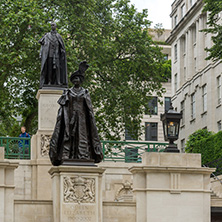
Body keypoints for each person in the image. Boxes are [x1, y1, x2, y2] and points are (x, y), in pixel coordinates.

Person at [49, 61, 103, 166]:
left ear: (81, 80)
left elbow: (89, 109)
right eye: (74, 79)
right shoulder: (68, 92)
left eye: (77, 78)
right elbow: (62, 104)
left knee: (82, 136)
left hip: (82, 119)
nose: (76, 80)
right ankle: (68, 155)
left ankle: (82, 155)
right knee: (69, 136)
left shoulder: (85, 92)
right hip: (70, 117)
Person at [39, 22, 68, 88]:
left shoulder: (58, 36)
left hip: (57, 55)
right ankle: (49, 81)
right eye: (51, 25)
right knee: (49, 69)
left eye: (53, 25)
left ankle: (58, 81)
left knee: (57, 68)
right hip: (49, 55)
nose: (52, 26)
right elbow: (42, 46)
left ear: (56, 26)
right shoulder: (47, 35)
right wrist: (40, 54)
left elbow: (62, 47)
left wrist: (63, 52)